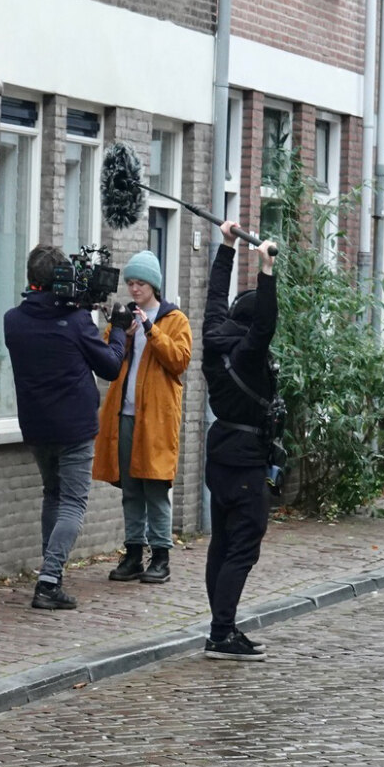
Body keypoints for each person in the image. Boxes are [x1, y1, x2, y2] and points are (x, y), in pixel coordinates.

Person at [3, 244, 127, 611]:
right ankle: (49, 579)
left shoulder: (13, 320)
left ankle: (50, 572)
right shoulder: (76, 323)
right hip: (74, 427)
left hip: (36, 426)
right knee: (73, 502)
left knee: (52, 495)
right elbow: (110, 367)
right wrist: (117, 329)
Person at [201, 221, 279, 661]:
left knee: (222, 543)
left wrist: (227, 246)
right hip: (246, 458)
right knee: (243, 547)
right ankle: (221, 632)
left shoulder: (215, 338)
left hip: (220, 452)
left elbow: (214, 298)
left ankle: (223, 626)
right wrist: (266, 269)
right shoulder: (249, 354)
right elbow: (265, 324)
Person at [93, 250, 193, 585]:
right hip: (125, 415)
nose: (134, 289)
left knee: (155, 485)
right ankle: (133, 553)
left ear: (154, 285)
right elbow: (109, 360)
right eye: (130, 283)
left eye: (140, 283)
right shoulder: (126, 318)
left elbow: (179, 360)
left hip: (158, 419)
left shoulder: (174, 320)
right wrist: (123, 333)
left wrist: (151, 330)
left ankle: (161, 556)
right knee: (131, 487)